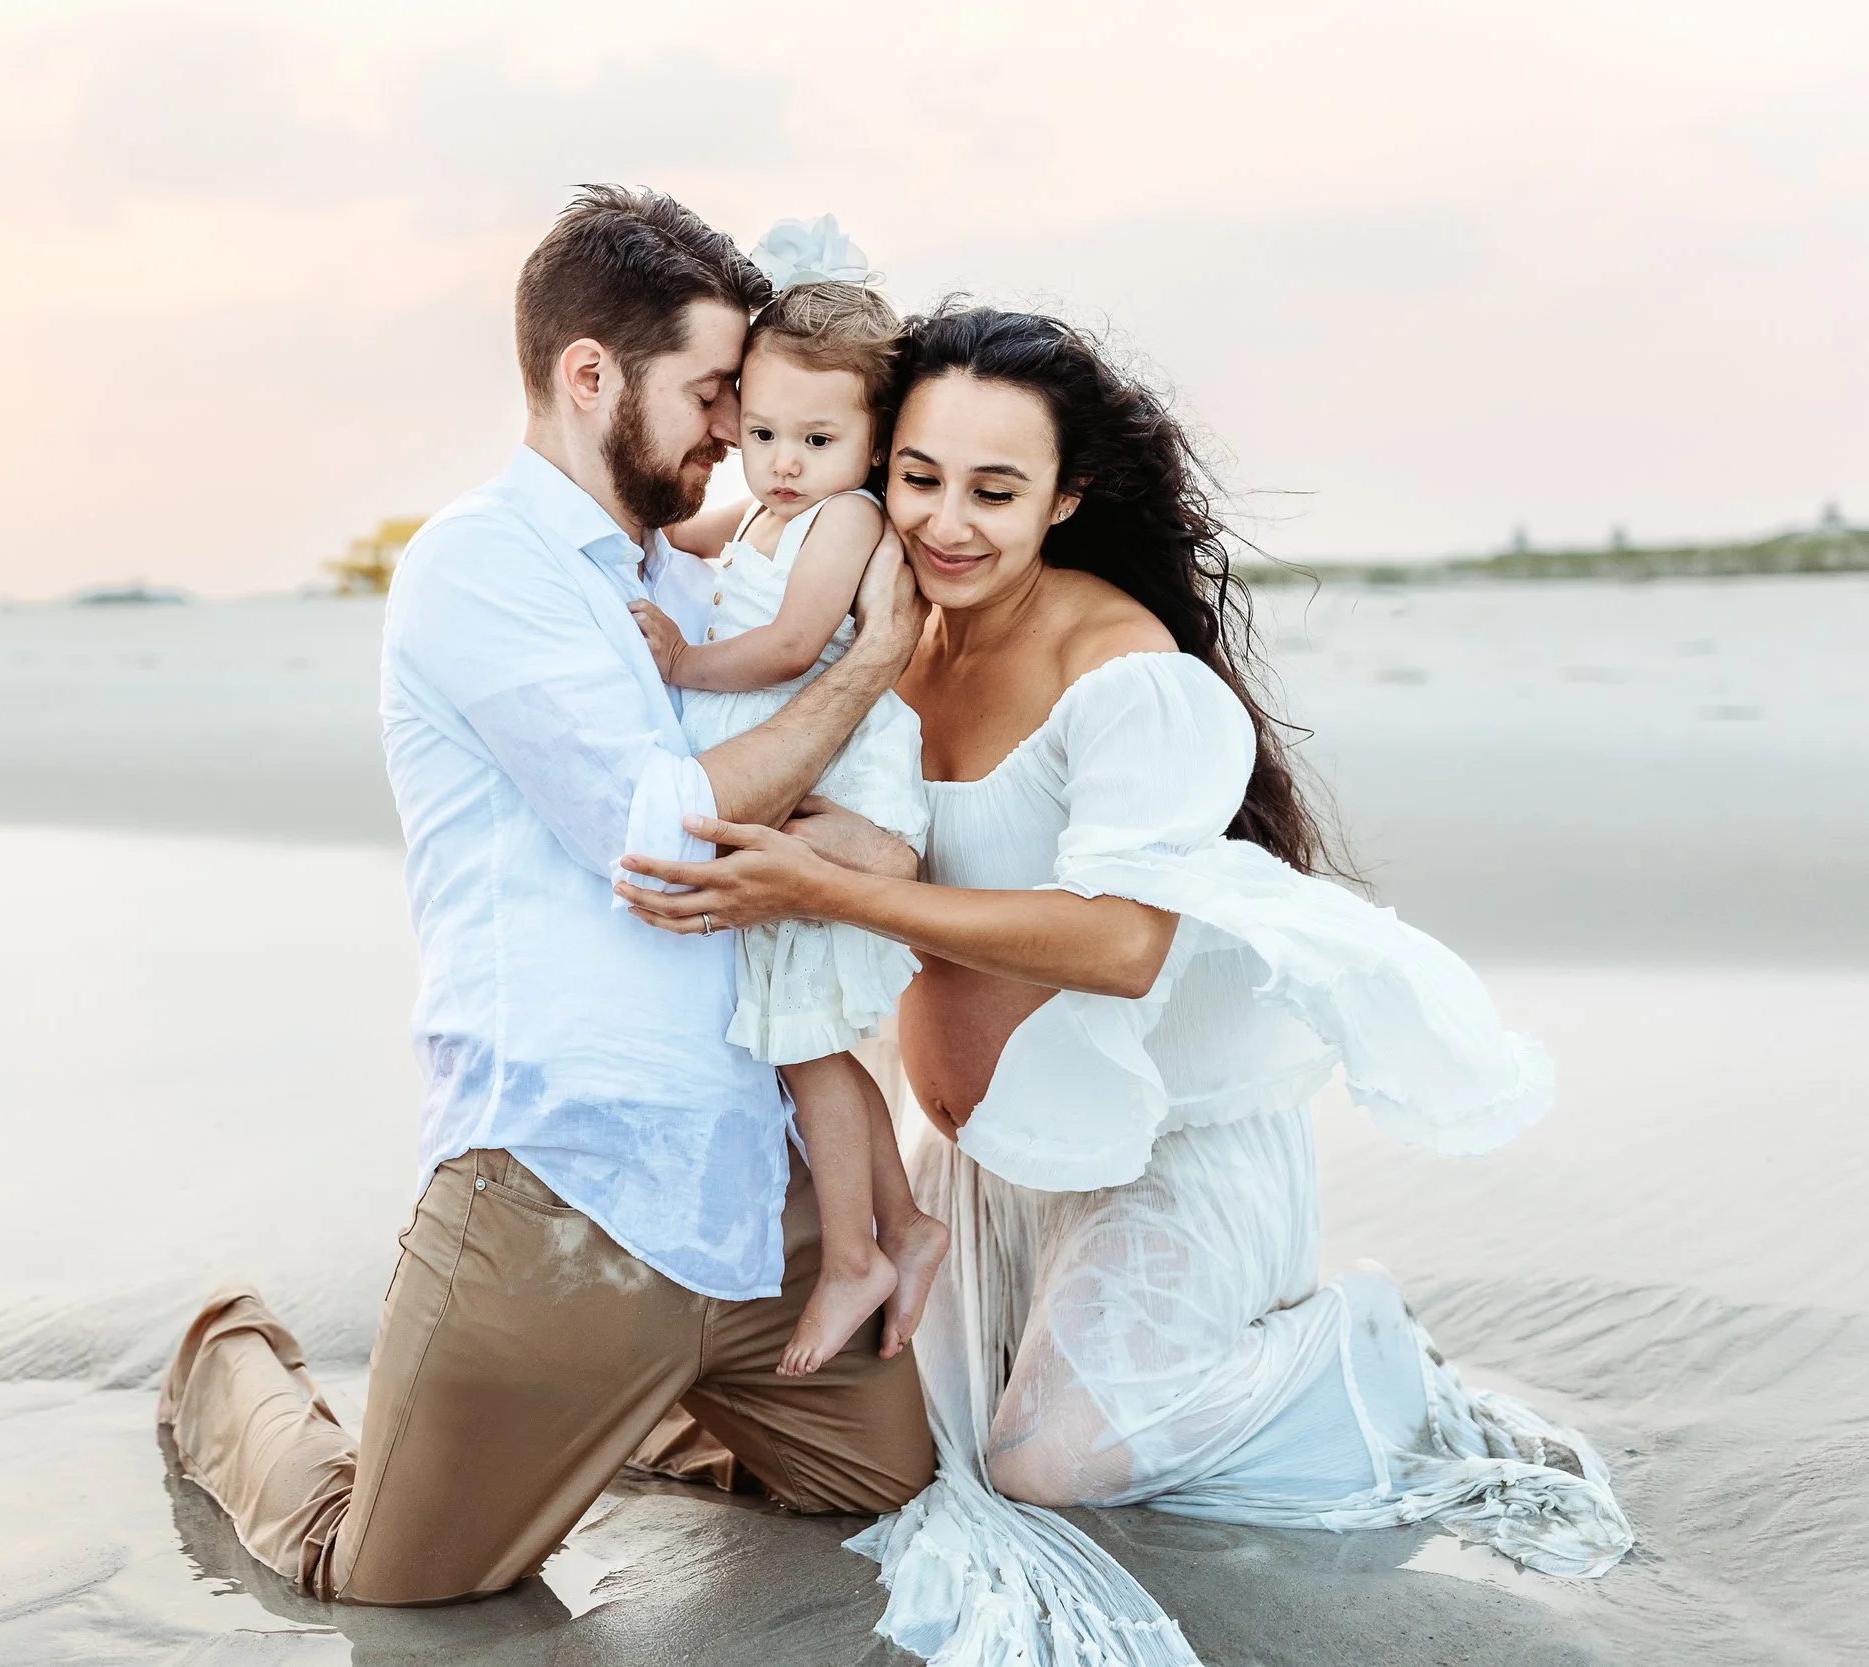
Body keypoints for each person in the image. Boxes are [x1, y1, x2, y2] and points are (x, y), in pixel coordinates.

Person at [617, 303, 1634, 1663]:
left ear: (1068, 496)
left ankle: (1354, 1355)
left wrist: (826, 887)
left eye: (996, 490)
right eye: (918, 477)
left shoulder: (1120, 668)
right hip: (987, 1162)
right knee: (863, 1445)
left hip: (1164, 1152)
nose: (948, 522)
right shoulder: (881, 619)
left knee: (1044, 1463)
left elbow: (1122, 942)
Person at [152, 186, 935, 1608]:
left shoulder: (695, 578)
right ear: (591, 375)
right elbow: (665, 836)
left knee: (884, 1486)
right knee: (385, 1575)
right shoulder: (479, 563)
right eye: (712, 393)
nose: (733, 433)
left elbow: (837, 826)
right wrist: (866, 667)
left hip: (763, 1191)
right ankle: (224, 1358)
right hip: (563, 1183)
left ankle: (634, 1410)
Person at [628, 226, 948, 1379]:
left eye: (817, 439)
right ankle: (902, 1224)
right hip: (790, 774)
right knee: (805, 1039)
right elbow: (684, 530)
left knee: (804, 1045)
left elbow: (789, 644)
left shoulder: (845, 518)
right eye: (760, 432)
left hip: (834, 783)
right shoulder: (765, 506)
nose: (781, 461)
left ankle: (854, 1251)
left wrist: (676, 661)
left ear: (871, 443)